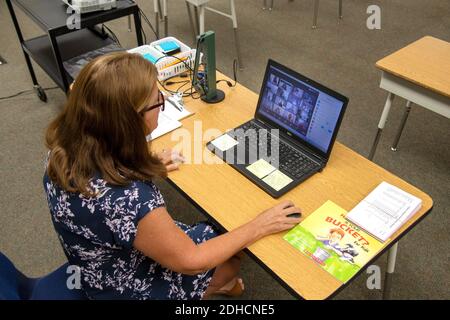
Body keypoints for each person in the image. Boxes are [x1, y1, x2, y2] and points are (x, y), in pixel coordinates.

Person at [43, 52, 302, 300]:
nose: (161, 106)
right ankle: (221, 284)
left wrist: (144, 164)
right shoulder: (130, 201)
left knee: (218, 228)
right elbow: (192, 261)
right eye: (158, 101)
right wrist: (260, 225)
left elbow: (105, 192)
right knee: (232, 247)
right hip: (126, 288)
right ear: (130, 122)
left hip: (95, 268)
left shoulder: (62, 151)